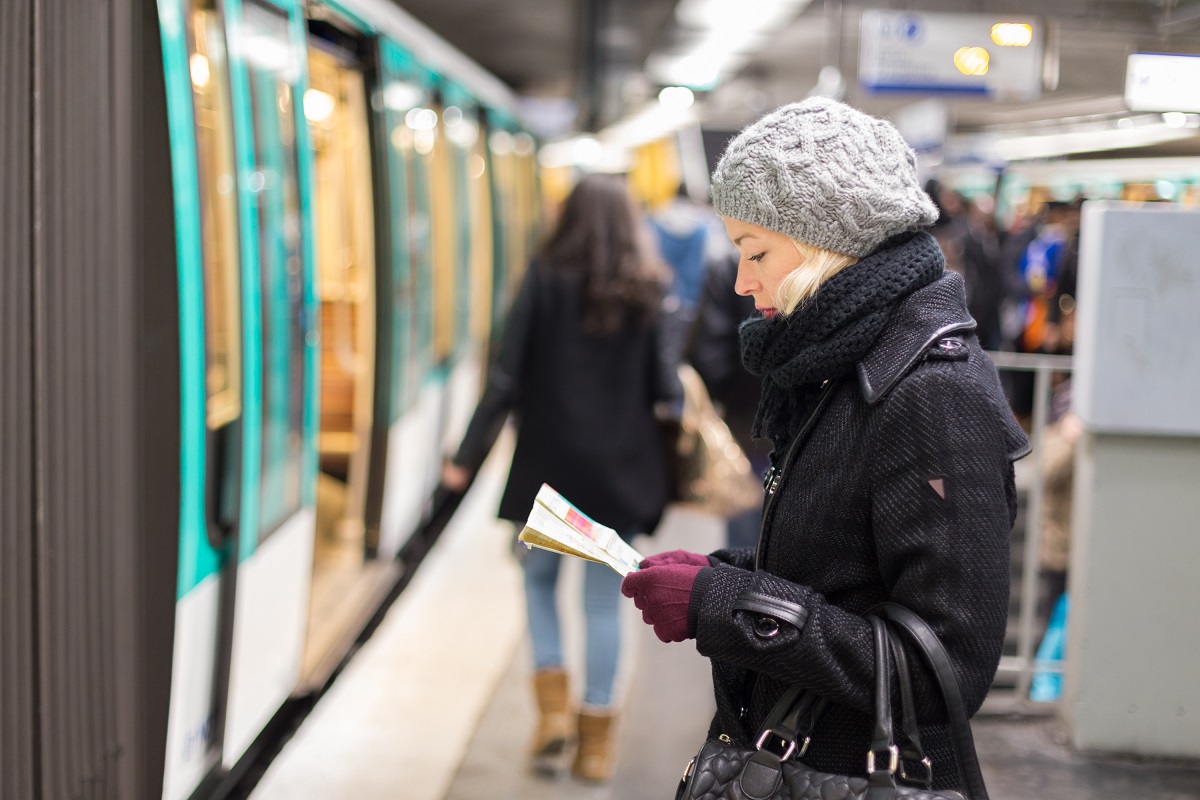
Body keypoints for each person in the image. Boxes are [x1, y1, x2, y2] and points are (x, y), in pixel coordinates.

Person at [620, 98, 1030, 793]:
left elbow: (945, 667)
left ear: (827, 243)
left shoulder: (931, 393)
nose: (744, 281)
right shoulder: (848, 363)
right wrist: (725, 577)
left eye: (757, 253)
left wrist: (725, 607)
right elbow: (850, 570)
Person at [442, 173, 677, 782]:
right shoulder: (649, 288)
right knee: (603, 606)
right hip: (619, 476)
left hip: (549, 475)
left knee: (539, 583)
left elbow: (504, 376)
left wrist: (466, 456)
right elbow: (666, 389)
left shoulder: (544, 279)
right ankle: (595, 744)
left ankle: (550, 715)